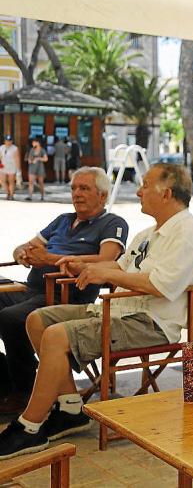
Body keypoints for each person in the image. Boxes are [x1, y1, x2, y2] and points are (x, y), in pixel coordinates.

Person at [0, 164, 193, 459]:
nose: (139, 191)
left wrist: (106, 274)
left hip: (150, 323)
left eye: (145, 185)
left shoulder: (186, 234)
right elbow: (120, 265)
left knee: (56, 335)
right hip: (119, 311)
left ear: (167, 193)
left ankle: (29, 427)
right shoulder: (149, 233)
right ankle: (71, 408)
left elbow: (160, 286)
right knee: (37, 320)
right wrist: (84, 266)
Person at [0, 167, 129, 415]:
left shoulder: (112, 223)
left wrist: (49, 258)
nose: (76, 194)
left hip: (66, 295)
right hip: (32, 289)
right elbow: (27, 246)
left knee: (10, 318)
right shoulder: (63, 219)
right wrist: (21, 253)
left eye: (84, 188)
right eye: (73, 188)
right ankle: (5, 379)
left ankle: (25, 390)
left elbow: (107, 259)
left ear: (102, 195)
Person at [0, 135, 21, 200]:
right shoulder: (1, 147)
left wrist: (18, 170)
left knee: (11, 182)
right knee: (2, 181)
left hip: (12, 167)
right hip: (3, 166)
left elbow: (17, 159)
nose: (8, 142)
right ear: (4, 141)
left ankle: (11, 195)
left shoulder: (15, 148)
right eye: (7, 140)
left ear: (12, 141)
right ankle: (8, 192)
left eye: (10, 141)